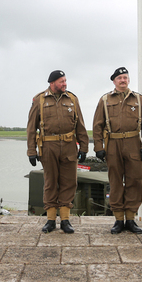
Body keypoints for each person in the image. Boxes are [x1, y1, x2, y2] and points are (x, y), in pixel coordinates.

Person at [92, 67, 142, 234]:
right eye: (119, 78)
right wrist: (99, 147)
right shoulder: (105, 100)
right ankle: (119, 219)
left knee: (135, 180)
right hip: (113, 143)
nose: (123, 80)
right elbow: (97, 126)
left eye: (125, 77)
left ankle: (131, 219)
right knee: (116, 181)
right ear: (114, 81)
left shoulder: (139, 100)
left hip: (134, 142)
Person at [26, 70, 89, 233]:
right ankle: (51, 220)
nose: (65, 84)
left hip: (69, 146)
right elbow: (31, 128)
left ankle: (66, 220)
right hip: (48, 147)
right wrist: (31, 151)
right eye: (61, 81)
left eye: (65, 81)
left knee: (69, 182)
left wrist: (83, 146)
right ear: (52, 83)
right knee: (50, 182)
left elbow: (80, 124)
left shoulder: (72, 99)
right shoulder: (39, 99)